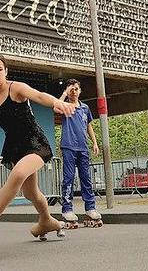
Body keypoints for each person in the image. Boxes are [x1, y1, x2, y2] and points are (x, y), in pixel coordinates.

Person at [0, 52, 76, 261]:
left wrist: (57, 102)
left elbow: (37, 95)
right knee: (31, 193)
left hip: (35, 142)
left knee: (18, 174)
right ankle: (46, 220)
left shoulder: (15, 88)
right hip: (15, 146)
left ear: (6, 71)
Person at [57, 79, 101, 228]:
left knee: (86, 179)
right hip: (68, 147)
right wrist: (64, 93)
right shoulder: (65, 106)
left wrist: (94, 143)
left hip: (83, 148)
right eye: (71, 89)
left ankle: (90, 208)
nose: (74, 91)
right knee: (68, 178)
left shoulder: (85, 108)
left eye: (76, 89)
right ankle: (67, 209)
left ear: (80, 91)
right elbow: (56, 108)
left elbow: (89, 126)